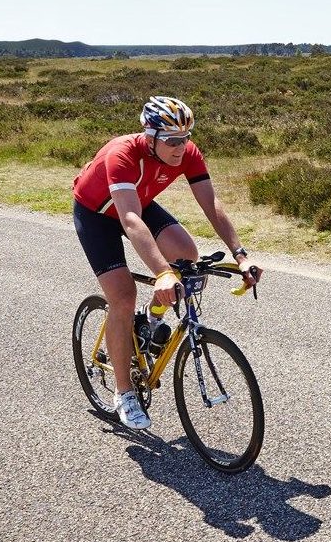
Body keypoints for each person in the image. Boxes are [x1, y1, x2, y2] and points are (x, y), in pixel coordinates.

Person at [72, 95, 261, 429]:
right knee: (122, 296)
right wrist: (161, 272)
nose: (181, 147)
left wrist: (241, 256)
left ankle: (150, 318)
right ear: (150, 136)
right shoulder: (122, 154)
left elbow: (211, 204)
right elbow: (129, 219)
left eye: (186, 138)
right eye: (172, 140)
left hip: (137, 204)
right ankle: (124, 392)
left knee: (187, 256)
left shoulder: (187, 153)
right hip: (98, 214)